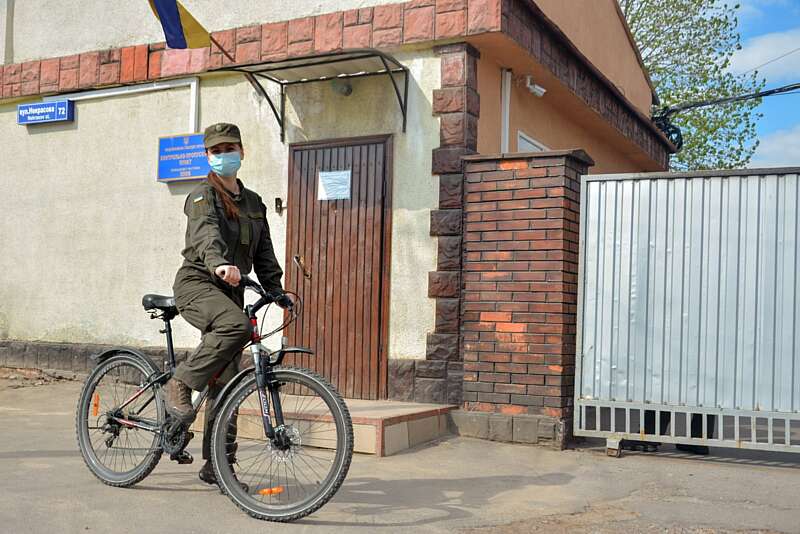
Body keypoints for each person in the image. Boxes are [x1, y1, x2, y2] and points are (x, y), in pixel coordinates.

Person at [163, 122, 291, 486]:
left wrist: (276, 290)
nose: (223, 156)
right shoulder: (202, 196)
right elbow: (207, 236)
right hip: (198, 283)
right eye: (216, 151)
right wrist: (219, 263)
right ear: (207, 156)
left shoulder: (254, 203)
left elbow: (264, 253)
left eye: (229, 149)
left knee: (229, 383)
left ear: (242, 152)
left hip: (231, 291)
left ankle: (218, 466)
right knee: (235, 325)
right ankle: (180, 383)